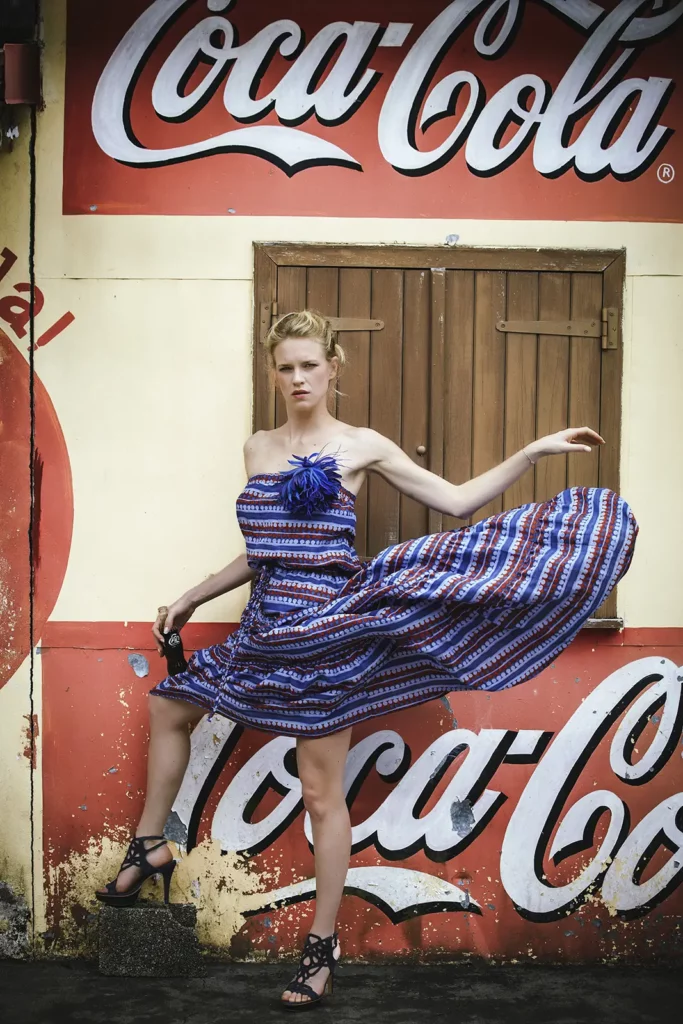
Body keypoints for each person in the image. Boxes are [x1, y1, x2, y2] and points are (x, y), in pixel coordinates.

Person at [96, 310, 637, 1010]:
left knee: (321, 796)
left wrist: (531, 451)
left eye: (308, 367)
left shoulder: (360, 445)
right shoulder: (257, 447)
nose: (296, 378)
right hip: (265, 628)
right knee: (170, 702)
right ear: (272, 371)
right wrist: (194, 596)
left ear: (332, 369)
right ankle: (151, 847)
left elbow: (455, 500)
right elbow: (262, 552)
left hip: (327, 633)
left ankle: (319, 952)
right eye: (284, 367)